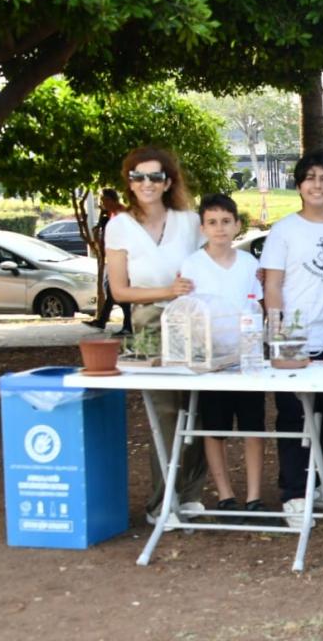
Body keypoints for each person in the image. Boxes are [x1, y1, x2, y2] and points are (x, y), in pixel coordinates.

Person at [259, 150, 323, 526]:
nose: (317, 185)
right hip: (294, 340)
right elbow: (272, 284)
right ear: (299, 184)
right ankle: (292, 493)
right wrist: (278, 335)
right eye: (310, 177)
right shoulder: (284, 230)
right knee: (292, 416)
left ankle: (315, 482)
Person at [105, 147, 207, 524]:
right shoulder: (119, 225)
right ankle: (162, 504)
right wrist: (167, 292)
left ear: (168, 182)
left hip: (193, 321)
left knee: (196, 408)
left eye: (153, 177)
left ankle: (192, 492)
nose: (145, 184)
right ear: (128, 182)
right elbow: (119, 291)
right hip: (148, 325)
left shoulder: (189, 221)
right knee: (165, 414)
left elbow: (206, 268)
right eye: (137, 176)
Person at [178, 193, 274, 522]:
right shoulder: (192, 264)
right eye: (212, 222)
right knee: (215, 428)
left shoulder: (250, 265)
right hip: (210, 362)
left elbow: (257, 305)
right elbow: (186, 309)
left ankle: (254, 495)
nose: (220, 229)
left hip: (246, 359)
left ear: (236, 225)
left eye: (226, 222)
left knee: (253, 427)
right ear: (202, 227)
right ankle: (225, 494)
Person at [88, 189, 134, 334]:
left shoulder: (123, 214)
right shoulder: (112, 214)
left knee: (118, 291)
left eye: (105, 201)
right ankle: (102, 321)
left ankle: (127, 325)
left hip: (126, 259)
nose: (103, 204)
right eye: (102, 201)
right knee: (112, 291)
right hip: (117, 258)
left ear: (112, 200)